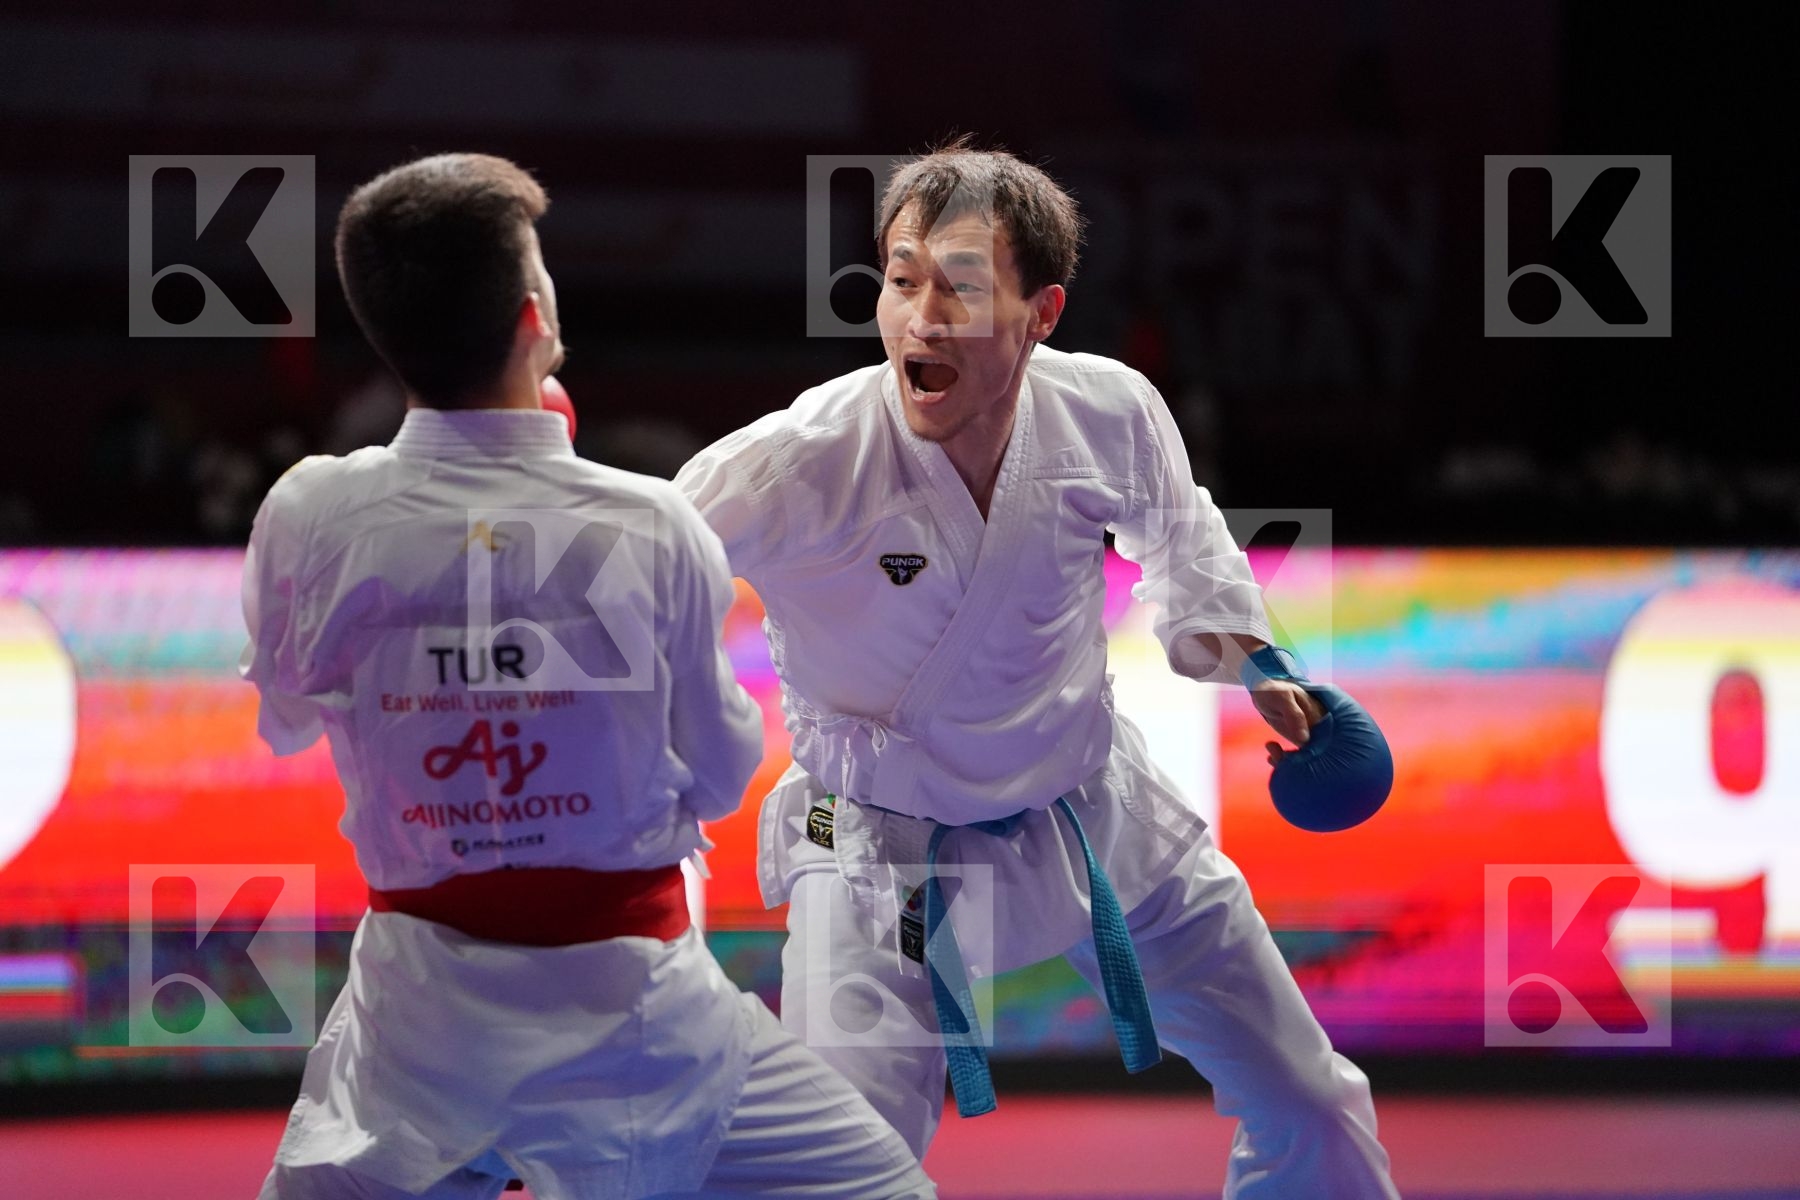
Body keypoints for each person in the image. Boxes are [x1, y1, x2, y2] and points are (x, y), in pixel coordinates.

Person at [676, 141, 1401, 1199]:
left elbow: (1184, 540)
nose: (920, 317)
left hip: (1092, 806)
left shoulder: (1106, 410)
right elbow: (647, 575)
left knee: (1312, 1098)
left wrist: (1262, 666)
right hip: (875, 843)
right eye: (901, 278)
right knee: (841, 1170)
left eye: (961, 284)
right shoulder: (803, 458)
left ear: (1041, 311)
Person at [242, 152, 933, 1200]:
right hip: (640, 1020)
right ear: (535, 317)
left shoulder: (309, 514)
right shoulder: (647, 522)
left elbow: (285, 721)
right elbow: (715, 776)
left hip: (413, 1036)